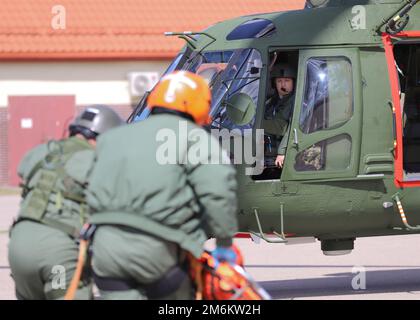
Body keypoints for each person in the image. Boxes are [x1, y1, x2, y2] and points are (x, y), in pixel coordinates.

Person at [86, 71, 238, 300]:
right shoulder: (194, 138)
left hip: (106, 253)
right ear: (199, 105)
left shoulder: (114, 137)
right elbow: (218, 193)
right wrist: (224, 243)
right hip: (157, 251)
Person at [8, 105, 124, 300]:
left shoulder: (42, 152)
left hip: (19, 247)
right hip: (57, 253)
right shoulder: (98, 159)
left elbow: (23, 173)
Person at [263, 63, 296, 168]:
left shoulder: (295, 102)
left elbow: (292, 126)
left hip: (283, 154)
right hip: (269, 151)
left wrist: (282, 152)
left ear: (293, 83)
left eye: (287, 81)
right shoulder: (271, 101)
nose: (283, 85)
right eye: (279, 81)